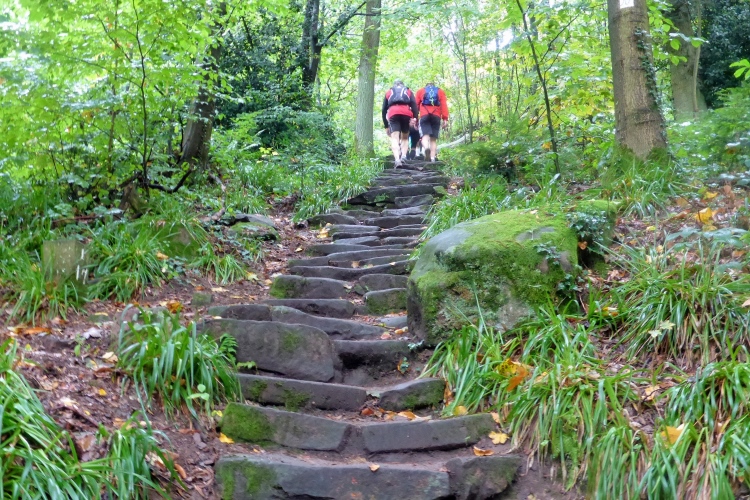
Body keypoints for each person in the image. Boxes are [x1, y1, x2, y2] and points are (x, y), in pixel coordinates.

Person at [382, 79, 418, 167]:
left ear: (394, 85)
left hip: (393, 113)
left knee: (394, 138)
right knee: (405, 137)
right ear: (403, 84)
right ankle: (404, 156)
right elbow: (414, 106)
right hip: (406, 113)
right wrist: (415, 118)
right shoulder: (408, 91)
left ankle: (397, 159)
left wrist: (386, 125)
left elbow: (383, 110)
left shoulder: (389, 92)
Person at [416, 81, 449, 162]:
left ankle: (426, 148)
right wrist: (445, 119)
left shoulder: (420, 91)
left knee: (425, 137)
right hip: (436, 116)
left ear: (426, 86)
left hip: (424, 115)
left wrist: (415, 118)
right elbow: (444, 105)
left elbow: (416, 106)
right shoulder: (440, 91)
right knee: (433, 139)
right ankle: (432, 158)